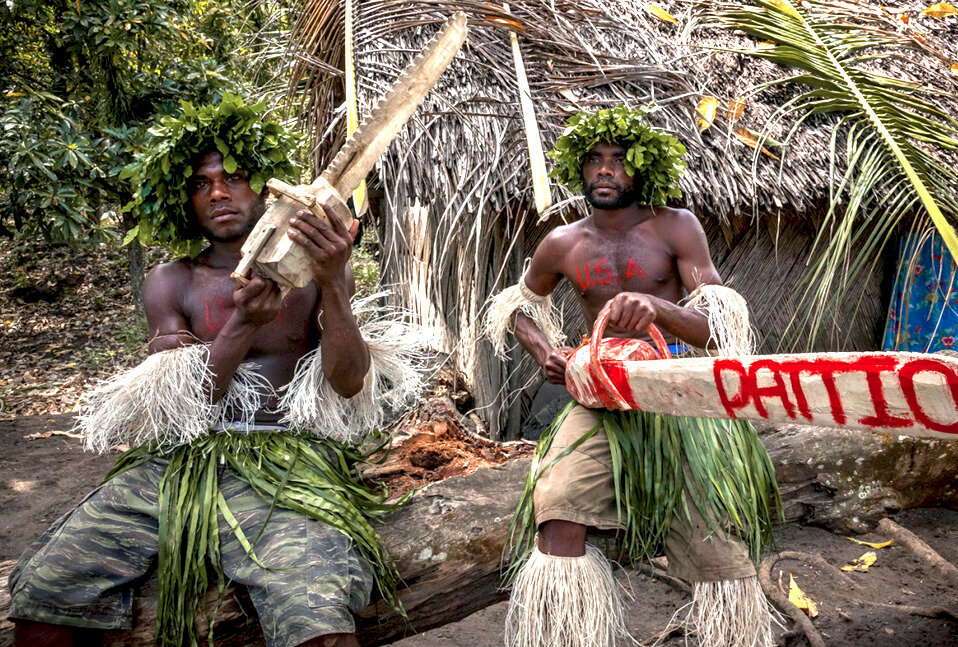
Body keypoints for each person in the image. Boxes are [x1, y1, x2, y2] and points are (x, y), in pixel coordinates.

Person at [6, 94, 427, 647]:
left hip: (288, 461)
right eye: (201, 185)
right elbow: (185, 404)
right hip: (181, 461)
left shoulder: (319, 271)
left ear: (268, 190)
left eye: (233, 178)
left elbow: (348, 383)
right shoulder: (171, 282)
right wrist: (242, 326)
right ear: (185, 201)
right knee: (44, 598)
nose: (219, 194)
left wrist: (332, 283)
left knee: (319, 624)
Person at [485, 105, 780, 647]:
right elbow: (514, 305)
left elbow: (717, 329)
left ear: (640, 169)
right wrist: (550, 352)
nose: (604, 171)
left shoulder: (675, 226)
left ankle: (733, 635)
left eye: (619, 161)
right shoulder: (562, 243)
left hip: (679, 400)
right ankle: (568, 635)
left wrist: (657, 307)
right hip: (601, 400)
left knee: (715, 544)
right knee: (558, 513)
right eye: (594, 160)